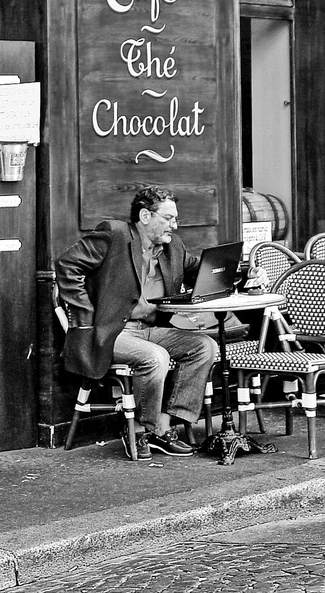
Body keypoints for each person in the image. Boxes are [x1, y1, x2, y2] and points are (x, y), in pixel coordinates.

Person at [54, 187, 218, 457]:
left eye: (175, 219)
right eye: (168, 218)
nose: (174, 226)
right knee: (155, 357)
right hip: (113, 332)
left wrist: (245, 274)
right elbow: (67, 266)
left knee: (204, 347)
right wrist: (85, 314)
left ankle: (163, 428)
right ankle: (141, 430)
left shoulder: (172, 246)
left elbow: (201, 271)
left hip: (151, 329)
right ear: (145, 215)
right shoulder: (114, 234)